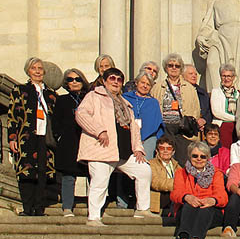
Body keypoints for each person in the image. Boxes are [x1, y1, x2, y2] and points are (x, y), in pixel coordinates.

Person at [75, 68, 156, 226]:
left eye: (119, 80)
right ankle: (93, 217)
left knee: (144, 171)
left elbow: (134, 129)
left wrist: (138, 148)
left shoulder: (125, 103)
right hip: (101, 149)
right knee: (99, 181)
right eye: (112, 78)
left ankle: (142, 209)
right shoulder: (94, 96)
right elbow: (81, 114)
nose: (116, 82)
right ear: (104, 81)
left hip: (124, 151)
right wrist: (99, 131)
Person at [7, 57, 58, 216]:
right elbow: (13, 114)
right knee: (26, 172)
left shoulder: (50, 93)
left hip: (46, 137)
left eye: (40, 68)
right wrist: (12, 137)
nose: (37, 71)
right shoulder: (20, 90)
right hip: (26, 136)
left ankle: (39, 207)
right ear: (28, 71)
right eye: (34, 68)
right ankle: (28, 208)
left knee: (43, 172)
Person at [171, 141, 228, 239]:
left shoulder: (216, 173)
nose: (199, 159)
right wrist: (187, 197)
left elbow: (222, 195)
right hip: (187, 210)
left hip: (209, 211)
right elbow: (175, 193)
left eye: (203, 156)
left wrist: (212, 200)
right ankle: (184, 237)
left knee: (206, 208)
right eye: (195, 156)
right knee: (190, 205)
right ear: (189, 156)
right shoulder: (181, 173)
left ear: (208, 158)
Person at [152, 53, 202, 166]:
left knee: (182, 161)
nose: (174, 68)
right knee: (164, 160)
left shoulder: (189, 88)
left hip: (183, 130)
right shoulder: (157, 87)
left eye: (177, 66)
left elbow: (196, 109)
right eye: (170, 65)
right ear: (166, 68)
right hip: (165, 128)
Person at [52, 68, 89, 217]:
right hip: (68, 142)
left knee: (92, 174)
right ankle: (67, 207)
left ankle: (94, 207)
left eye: (77, 79)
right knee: (68, 175)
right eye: (70, 79)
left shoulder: (89, 98)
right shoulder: (62, 100)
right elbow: (56, 122)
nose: (73, 82)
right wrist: (59, 136)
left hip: (86, 141)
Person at [122, 71, 164, 160]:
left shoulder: (153, 102)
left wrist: (145, 138)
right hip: (127, 135)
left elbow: (158, 125)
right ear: (136, 83)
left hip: (148, 139)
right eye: (142, 82)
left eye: (148, 84)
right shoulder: (125, 97)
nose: (145, 86)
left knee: (143, 164)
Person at [149, 136, 181, 215]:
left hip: (174, 198)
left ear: (173, 152)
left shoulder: (177, 166)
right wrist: (177, 183)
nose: (165, 151)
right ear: (157, 150)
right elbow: (156, 183)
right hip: (159, 199)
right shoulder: (151, 164)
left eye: (169, 148)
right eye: (162, 148)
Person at [210, 63, 239, 149]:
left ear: (233, 77)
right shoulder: (216, 92)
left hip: (235, 128)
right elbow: (217, 112)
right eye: (224, 76)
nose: (226, 79)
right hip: (221, 127)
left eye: (229, 76)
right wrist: (235, 118)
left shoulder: (238, 93)